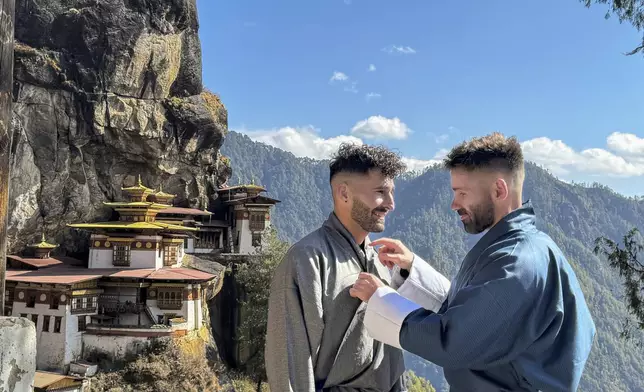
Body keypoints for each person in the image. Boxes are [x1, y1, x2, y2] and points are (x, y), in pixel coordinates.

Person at [350, 132, 597, 392]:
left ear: (499, 190)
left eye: (462, 193)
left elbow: (455, 340)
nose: (454, 204)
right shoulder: (526, 247)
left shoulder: (515, 263)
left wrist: (380, 298)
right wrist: (412, 269)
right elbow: (476, 313)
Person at [264, 143, 424, 392]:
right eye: (381, 192)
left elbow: (392, 358)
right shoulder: (307, 260)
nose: (391, 203)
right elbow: (289, 366)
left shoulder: (380, 262)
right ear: (344, 194)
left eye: (392, 192)